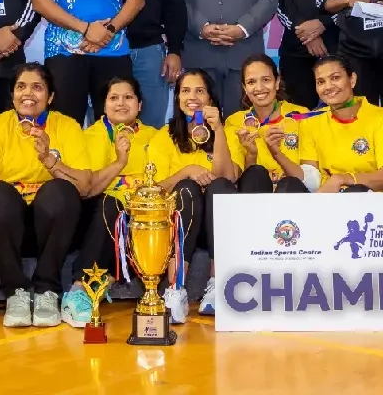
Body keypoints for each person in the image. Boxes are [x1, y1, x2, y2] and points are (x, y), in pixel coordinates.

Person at [0, 63, 92, 328]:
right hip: (5, 229)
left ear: (50, 97)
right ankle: (15, 292)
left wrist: (49, 160)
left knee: (61, 191)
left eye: (37, 87)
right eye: (21, 87)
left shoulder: (67, 126)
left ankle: (46, 291)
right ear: (12, 95)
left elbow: (84, 187)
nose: (28, 93)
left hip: (52, 228)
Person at [62, 75, 159, 328]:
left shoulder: (156, 136)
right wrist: (120, 162)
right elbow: (89, 190)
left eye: (128, 97)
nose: (121, 103)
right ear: (103, 105)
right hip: (96, 214)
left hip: (138, 216)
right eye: (113, 98)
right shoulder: (88, 137)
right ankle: (79, 289)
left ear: (140, 104)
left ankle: (105, 283)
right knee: (110, 203)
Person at [146, 69, 239, 321]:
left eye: (200, 91)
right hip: (180, 223)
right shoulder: (164, 136)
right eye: (185, 91)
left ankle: (216, 285)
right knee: (187, 188)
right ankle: (175, 289)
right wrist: (186, 171)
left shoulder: (228, 131)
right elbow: (153, 189)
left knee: (219, 187)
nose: (192, 97)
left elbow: (228, 177)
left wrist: (218, 130)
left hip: (217, 226)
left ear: (211, 98)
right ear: (177, 97)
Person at [308, 56, 383, 192]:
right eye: (321, 82)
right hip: (328, 199)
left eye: (335, 78)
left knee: (356, 191)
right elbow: (310, 177)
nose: (328, 86)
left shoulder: (382, 118)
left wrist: (341, 179)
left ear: (352, 80)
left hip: (372, 200)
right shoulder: (312, 121)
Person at [223, 54, 316, 193]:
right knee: (256, 173)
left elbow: (312, 182)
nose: (259, 88)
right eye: (251, 82)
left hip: (292, 195)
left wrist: (277, 154)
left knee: (289, 184)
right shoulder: (234, 122)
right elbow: (235, 180)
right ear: (244, 88)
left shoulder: (302, 115)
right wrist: (251, 155)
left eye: (266, 80)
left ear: (277, 82)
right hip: (255, 198)